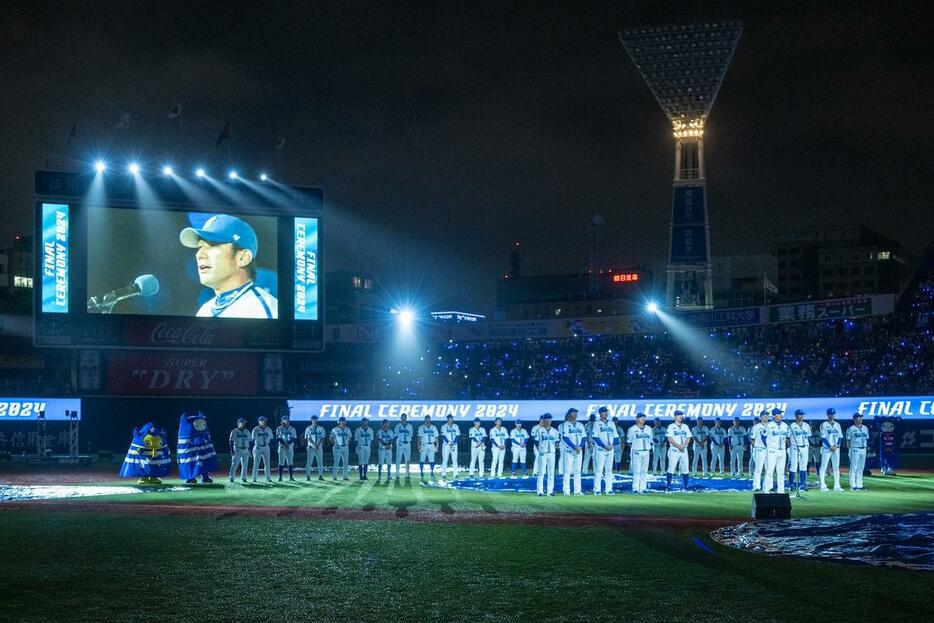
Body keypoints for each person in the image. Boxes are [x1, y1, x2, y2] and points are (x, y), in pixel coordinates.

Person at [179, 214, 278, 318]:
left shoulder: (262, 311)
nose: (199, 254)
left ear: (243, 258)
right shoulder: (205, 310)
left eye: (213, 244)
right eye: (199, 247)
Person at [177, 411, 217, 484]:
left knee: (205, 462)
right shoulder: (188, 434)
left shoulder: (203, 434)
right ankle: (190, 477)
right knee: (191, 464)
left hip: (202, 452)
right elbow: (194, 441)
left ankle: (205, 476)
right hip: (191, 454)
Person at [591, 406, 619, 495]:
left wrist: (612, 445)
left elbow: (616, 437)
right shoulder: (596, 423)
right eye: (604, 412)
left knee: (609, 470)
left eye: (606, 412)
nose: (606, 413)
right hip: (600, 449)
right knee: (599, 470)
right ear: (600, 414)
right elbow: (595, 437)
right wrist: (604, 446)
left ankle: (608, 489)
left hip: (610, 450)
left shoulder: (611, 423)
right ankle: (597, 489)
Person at [763, 408, 791, 494]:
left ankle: (781, 491)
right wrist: (768, 446)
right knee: (770, 471)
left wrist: (788, 445)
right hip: (772, 451)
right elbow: (763, 436)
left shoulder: (785, 425)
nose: (781, 415)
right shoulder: (769, 425)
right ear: (774, 416)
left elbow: (788, 436)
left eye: (781, 413)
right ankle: (767, 490)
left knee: (781, 472)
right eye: (779, 414)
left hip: (782, 451)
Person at [559, 408, 586, 496]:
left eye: (576, 413)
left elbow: (584, 437)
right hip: (569, 450)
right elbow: (565, 438)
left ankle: (577, 491)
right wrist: (575, 447)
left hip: (579, 450)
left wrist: (580, 447)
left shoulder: (580, 425)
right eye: (573, 413)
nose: (575, 414)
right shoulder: (565, 425)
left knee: (578, 471)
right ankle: (566, 491)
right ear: (569, 414)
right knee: (567, 471)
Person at [666, 411, 692, 491]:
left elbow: (688, 437)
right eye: (679, 415)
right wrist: (678, 446)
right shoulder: (671, 426)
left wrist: (683, 446)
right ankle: (669, 486)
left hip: (684, 450)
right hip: (674, 450)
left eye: (681, 415)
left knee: (685, 469)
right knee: (671, 468)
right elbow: (669, 438)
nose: (681, 416)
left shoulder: (685, 426)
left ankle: (686, 486)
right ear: (675, 417)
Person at [819, 408, 844, 492]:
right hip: (827, 449)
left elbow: (840, 436)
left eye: (833, 414)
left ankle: (837, 485)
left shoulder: (837, 425)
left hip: (836, 449)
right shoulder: (824, 425)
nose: (832, 415)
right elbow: (823, 437)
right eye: (830, 414)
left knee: (836, 467)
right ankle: (822, 485)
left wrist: (837, 445)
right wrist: (830, 446)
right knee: (824, 467)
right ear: (827, 415)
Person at [627, 413, 653, 493]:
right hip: (637, 451)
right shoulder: (632, 429)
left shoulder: (648, 428)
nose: (643, 419)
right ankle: (635, 488)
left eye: (644, 417)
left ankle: (643, 488)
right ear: (637, 419)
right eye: (641, 417)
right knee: (637, 471)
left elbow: (651, 440)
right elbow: (629, 441)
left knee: (644, 471)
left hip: (646, 451)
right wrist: (636, 447)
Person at [535, 413, 560, 496]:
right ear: (544, 420)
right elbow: (536, 442)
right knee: (541, 473)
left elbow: (557, 441)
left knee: (551, 473)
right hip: (543, 453)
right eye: (547, 418)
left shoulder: (554, 431)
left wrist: (557, 445)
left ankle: (550, 491)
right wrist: (540, 451)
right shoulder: (539, 430)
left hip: (552, 453)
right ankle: (540, 491)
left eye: (550, 418)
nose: (549, 420)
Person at [788, 409, 811, 492]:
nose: (802, 416)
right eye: (800, 414)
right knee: (793, 467)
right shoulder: (792, 426)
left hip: (805, 447)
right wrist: (789, 447)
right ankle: (791, 485)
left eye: (802, 414)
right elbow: (788, 437)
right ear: (796, 416)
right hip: (795, 447)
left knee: (803, 466)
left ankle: (802, 485)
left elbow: (808, 436)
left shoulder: (807, 426)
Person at [846, 413, 869, 491]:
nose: (861, 419)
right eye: (859, 418)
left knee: (861, 468)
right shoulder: (851, 429)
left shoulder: (865, 428)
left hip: (863, 448)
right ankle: (853, 485)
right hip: (855, 449)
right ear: (855, 419)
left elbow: (866, 438)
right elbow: (848, 440)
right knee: (854, 467)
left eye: (861, 418)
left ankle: (859, 485)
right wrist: (849, 449)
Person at [303, 415, 327, 481]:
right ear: (311, 420)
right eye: (314, 419)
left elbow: (323, 438)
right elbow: (308, 438)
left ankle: (320, 476)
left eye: (316, 419)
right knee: (309, 461)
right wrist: (314, 445)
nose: (315, 420)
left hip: (319, 446)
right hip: (311, 447)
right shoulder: (308, 428)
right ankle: (308, 476)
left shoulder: (321, 428)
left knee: (320, 462)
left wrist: (318, 444)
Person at [750, 410, 769, 491]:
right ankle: (756, 486)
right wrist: (756, 447)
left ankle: (767, 486)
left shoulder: (771, 425)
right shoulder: (757, 426)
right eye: (765, 415)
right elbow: (752, 439)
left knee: (769, 469)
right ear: (761, 417)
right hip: (760, 449)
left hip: (769, 450)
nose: (766, 417)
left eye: (767, 415)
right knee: (758, 469)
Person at [251, 416, 273, 483]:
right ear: (259, 422)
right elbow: (252, 439)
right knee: (256, 463)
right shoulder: (255, 429)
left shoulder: (269, 429)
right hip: (258, 447)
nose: (264, 422)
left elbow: (271, 438)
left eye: (265, 420)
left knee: (267, 463)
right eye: (262, 420)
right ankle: (254, 478)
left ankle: (268, 478)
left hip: (266, 446)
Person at [275, 415, 297, 482]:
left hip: (290, 446)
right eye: (285, 419)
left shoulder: (292, 428)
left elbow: (294, 438)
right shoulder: (279, 429)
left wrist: (288, 443)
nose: (286, 421)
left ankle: (291, 477)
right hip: (282, 446)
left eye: (287, 419)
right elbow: (278, 438)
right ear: (282, 421)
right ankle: (280, 477)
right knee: (281, 462)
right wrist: (285, 444)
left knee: (290, 462)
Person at [229, 418, 251, 483]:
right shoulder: (234, 431)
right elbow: (231, 441)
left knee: (245, 465)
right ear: (239, 423)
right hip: (237, 449)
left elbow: (250, 441)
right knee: (234, 464)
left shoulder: (247, 431)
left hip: (245, 449)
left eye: (244, 423)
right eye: (242, 423)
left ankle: (244, 478)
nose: (243, 424)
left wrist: (249, 450)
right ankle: (231, 478)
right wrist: (232, 450)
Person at [394, 413, 414, 481]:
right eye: (403, 417)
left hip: (407, 444)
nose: (404, 418)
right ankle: (397, 474)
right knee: (398, 459)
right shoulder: (397, 426)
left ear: (406, 418)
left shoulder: (410, 426)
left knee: (407, 460)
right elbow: (395, 436)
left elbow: (411, 435)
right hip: (400, 443)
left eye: (405, 417)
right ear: (401, 418)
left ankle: (407, 474)